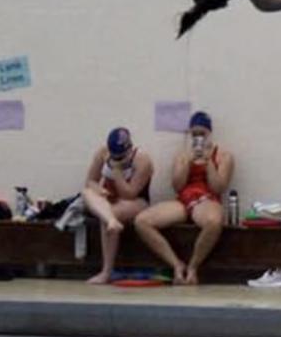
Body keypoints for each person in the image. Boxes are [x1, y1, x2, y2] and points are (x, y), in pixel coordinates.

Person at [133, 111, 233, 284]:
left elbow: (219, 187)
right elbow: (177, 186)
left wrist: (208, 163)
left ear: (210, 133)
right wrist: (188, 162)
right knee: (142, 221)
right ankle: (176, 264)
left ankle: (193, 266)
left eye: (202, 134)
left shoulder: (224, 156)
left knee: (215, 222)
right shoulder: (182, 155)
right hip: (184, 199)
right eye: (194, 134)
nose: (198, 138)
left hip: (206, 199)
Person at [83, 126, 154, 284]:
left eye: (121, 157)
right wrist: (99, 190)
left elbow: (130, 193)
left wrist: (116, 172)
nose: (117, 159)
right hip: (108, 199)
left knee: (110, 213)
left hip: (135, 202)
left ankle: (106, 271)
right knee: (86, 193)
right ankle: (111, 221)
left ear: (130, 149)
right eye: (114, 156)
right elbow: (90, 182)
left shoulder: (142, 160)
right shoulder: (102, 153)